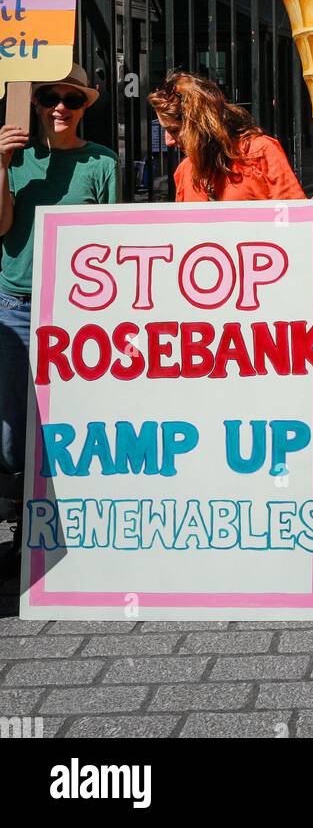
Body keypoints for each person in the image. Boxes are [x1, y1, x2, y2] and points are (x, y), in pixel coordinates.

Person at [0, 65, 119, 575]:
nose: (61, 107)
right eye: (50, 96)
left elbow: (117, 247)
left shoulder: (103, 163)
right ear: (36, 102)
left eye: (73, 99)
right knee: (11, 438)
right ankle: (19, 526)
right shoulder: (17, 160)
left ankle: (48, 536)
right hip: (18, 306)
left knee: (70, 430)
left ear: (86, 106)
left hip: (77, 319)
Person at [149, 71, 305, 202]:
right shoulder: (185, 170)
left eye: (174, 130)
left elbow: (293, 220)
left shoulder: (260, 152)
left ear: (200, 124)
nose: (168, 141)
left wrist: (312, 215)